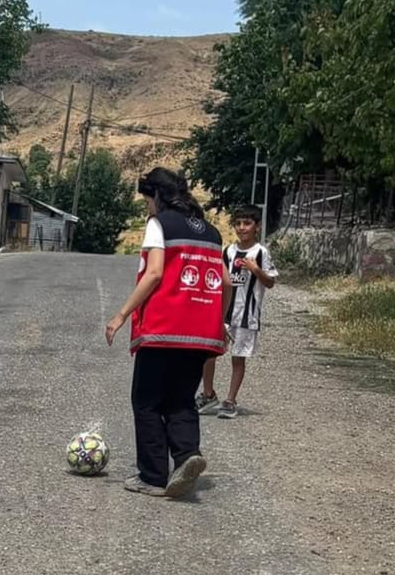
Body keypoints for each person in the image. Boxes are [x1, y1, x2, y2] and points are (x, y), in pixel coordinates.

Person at [105, 167, 232, 498]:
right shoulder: (211, 232)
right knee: (180, 400)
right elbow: (227, 282)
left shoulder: (159, 224)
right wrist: (220, 321)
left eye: (147, 200)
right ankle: (188, 455)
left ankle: (152, 477)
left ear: (157, 197)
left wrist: (120, 315)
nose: (147, 207)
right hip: (201, 332)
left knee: (146, 401)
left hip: (164, 328)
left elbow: (155, 273)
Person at [196, 204, 278, 419]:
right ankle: (208, 393)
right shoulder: (229, 252)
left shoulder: (261, 252)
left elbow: (270, 282)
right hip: (223, 312)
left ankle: (230, 399)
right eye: (238, 223)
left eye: (247, 223)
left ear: (256, 227)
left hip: (246, 314)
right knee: (209, 353)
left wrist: (255, 270)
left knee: (238, 358)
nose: (242, 228)